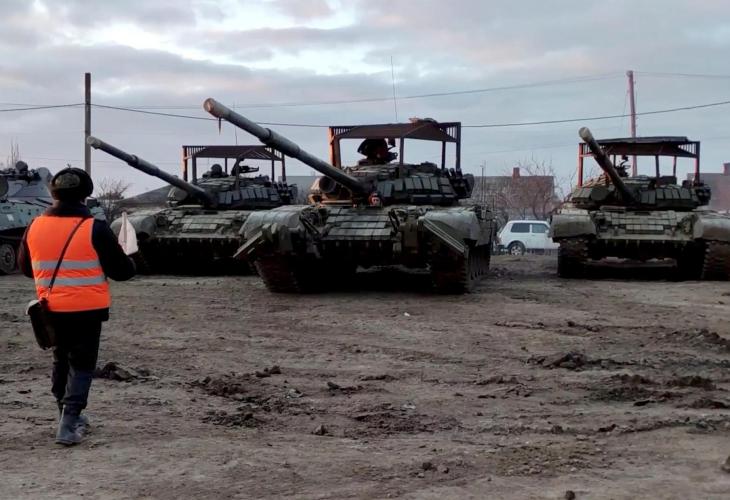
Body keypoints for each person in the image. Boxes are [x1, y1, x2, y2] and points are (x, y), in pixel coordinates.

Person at [18, 167, 136, 446]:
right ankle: (69, 424)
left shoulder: (34, 226)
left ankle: (64, 413)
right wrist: (130, 258)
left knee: (61, 360)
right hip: (87, 311)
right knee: (82, 365)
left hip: (50, 308)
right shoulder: (95, 228)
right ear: (85, 196)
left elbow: (25, 269)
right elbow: (122, 272)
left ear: (54, 194)